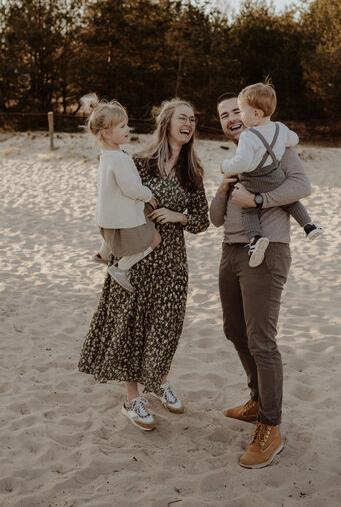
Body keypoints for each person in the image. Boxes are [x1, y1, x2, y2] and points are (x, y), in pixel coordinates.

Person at [79, 98, 209, 431]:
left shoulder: (192, 171)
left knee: (165, 327)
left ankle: (159, 382)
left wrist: (178, 216)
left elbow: (201, 220)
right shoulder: (138, 162)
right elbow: (113, 201)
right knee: (131, 326)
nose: (189, 123)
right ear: (167, 122)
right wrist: (107, 247)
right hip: (137, 257)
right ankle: (131, 398)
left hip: (172, 262)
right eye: (183, 117)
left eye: (193, 119)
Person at [210, 93, 312, 469]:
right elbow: (217, 218)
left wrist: (257, 199)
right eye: (223, 115)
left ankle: (271, 425)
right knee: (234, 330)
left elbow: (301, 186)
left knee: (262, 341)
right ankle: (257, 400)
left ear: (253, 112)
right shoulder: (238, 159)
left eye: (235, 111)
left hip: (267, 251)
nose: (231, 118)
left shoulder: (276, 145)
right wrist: (224, 187)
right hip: (231, 251)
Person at [221, 80, 323, 267]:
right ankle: (309, 226)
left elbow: (243, 162)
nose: (240, 116)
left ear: (256, 113)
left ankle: (255, 238)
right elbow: (295, 139)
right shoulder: (280, 128)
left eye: (241, 111)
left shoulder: (248, 136)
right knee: (291, 202)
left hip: (255, 181)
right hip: (275, 177)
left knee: (249, 210)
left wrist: (226, 166)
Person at [83, 93, 161, 292]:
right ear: (106, 133)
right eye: (123, 126)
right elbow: (131, 188)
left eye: (127, 124)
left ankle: (102, 254)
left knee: (111, 231)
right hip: (122, 218)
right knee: (155, 239)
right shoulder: (118, 158)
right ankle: (121, 268)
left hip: (106, 216)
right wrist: (148, 195)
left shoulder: (106, 156)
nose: (128, 129)